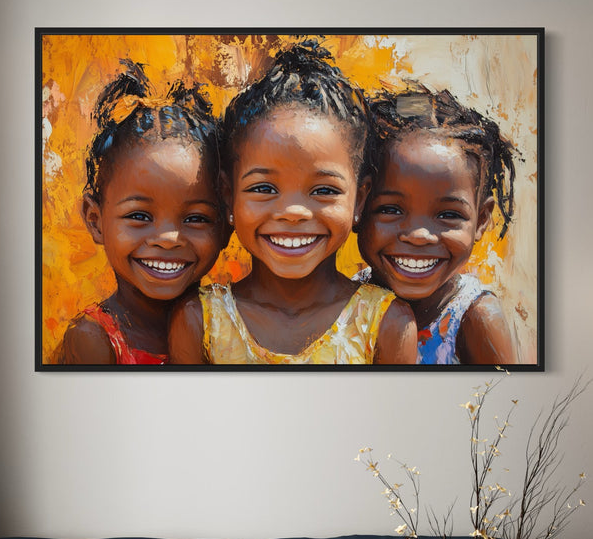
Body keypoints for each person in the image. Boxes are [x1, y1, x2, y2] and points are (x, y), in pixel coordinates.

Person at [169, 40, 416, 365]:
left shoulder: (387, 324)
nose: (293, 213)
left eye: (324, 191)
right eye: (264, 188)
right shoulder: (199, 322)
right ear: (229, 197)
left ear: (360, 200)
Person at [57, 61, 227, 365]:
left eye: (196, 218)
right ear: (95, 221)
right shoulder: (92, 340)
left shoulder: (232, 329)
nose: (167, 239)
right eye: (139, 216)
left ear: (228, 224)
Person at [357, 85, 517, 365]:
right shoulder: (348, 307)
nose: (419, 235)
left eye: (448, 215)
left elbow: (505, 403)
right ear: (358, 207)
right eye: (391, 209)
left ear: (481, 220)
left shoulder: (475, 316)